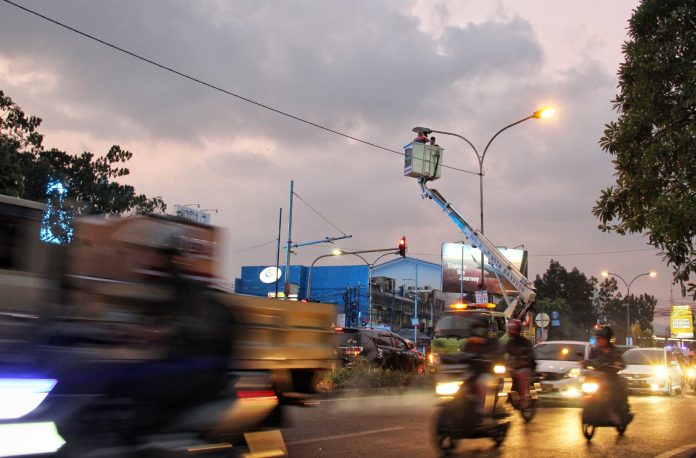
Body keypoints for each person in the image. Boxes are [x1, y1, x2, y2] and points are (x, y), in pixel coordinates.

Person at [584, 326, 630, 424]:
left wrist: (617, 364)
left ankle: (613, 412)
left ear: (608, 339)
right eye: (599, 339)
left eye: (603, 339)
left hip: (612, 378)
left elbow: (622, 363)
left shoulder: (615, 351)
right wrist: (584, 362)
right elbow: (590, 360)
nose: (600, 341)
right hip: (597, 378)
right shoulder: (595, 350)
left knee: (613, 391)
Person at [464, 313, 502, 424]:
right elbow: (463, 354)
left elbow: (497, 355)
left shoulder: (492, 343)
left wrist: (488, 359)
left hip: (487, 374)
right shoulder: (469, 342)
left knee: (480, 384)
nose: (478, 330)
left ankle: (480, 414)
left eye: (481, 327)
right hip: (472, 373)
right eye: (477, 327)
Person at [505, 319, 535, 409]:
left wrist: (523, 361)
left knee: (520, 374)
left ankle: (524, 399)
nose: (511, 332)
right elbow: (501, 352)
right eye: (510, 329)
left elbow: (530, 356)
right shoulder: (509, 342)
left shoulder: (525, 342)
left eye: (513, 329)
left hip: (525, 368)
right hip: (512, 367)